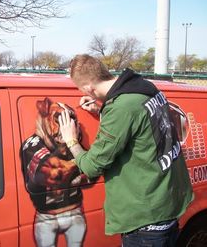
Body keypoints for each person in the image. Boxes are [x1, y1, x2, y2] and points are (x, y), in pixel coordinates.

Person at [58, 54, 193, 247]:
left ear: (88, 88)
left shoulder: (122, 108)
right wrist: (101, 110)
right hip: (167, 204)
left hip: (146, 221)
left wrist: (71, 139)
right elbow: (141, 125)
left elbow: (91, 167)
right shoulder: (144, 89)